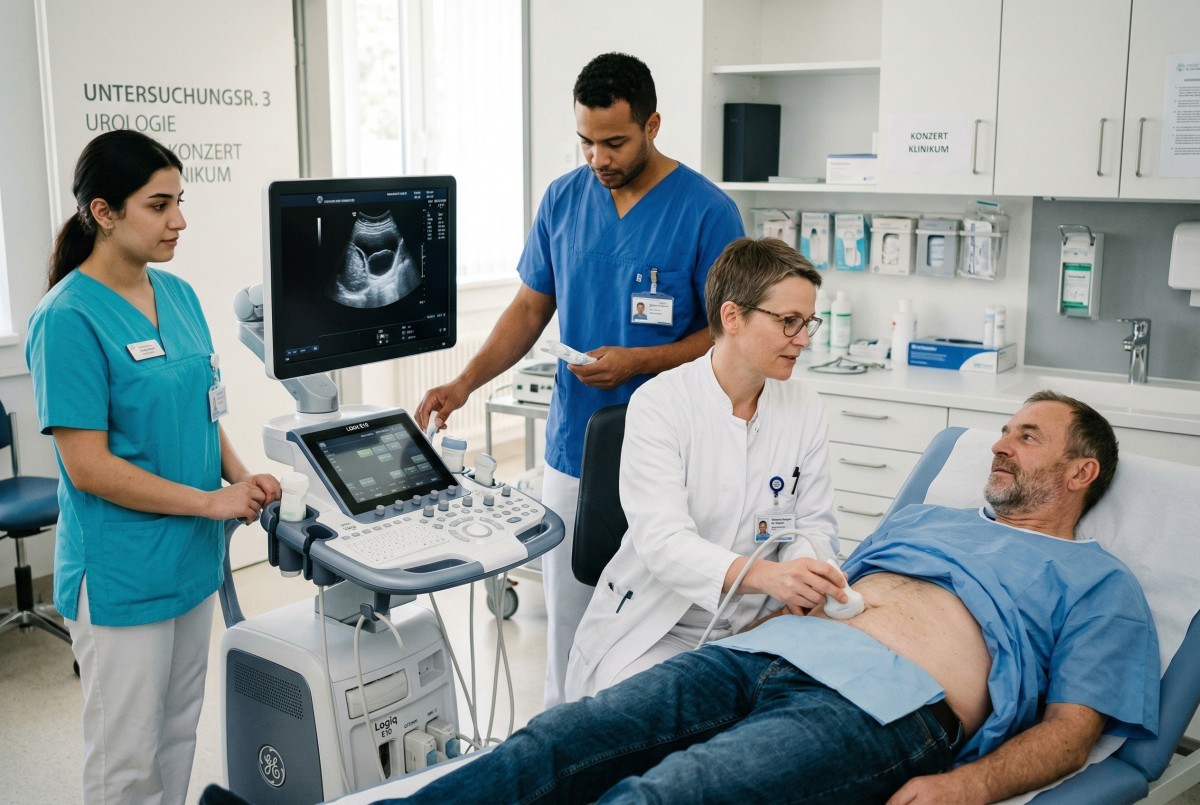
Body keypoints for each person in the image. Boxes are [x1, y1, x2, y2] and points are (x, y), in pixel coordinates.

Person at [372, 391, 1162, 803]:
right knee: (556, 740)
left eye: (1027, 436)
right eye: (1006, 428)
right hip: (761, 652)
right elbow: (823, 576)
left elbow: (1073, 732)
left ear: (1080, 472)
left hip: (886, 705)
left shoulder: (1098, 581)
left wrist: (970, 786)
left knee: (665, 794)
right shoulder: (925, 518)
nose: (999, 442)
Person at [415, 52, 744, 707]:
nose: (598, 158)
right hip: (576, 449)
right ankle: (562, 740)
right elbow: (529, 309)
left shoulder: (708, 212)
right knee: (569, 626)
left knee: (664, 628)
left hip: (676, 452)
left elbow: (727, 334)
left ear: (652, 125)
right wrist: (465, 382)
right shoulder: (563, 200)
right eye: (586, 142)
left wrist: (637, 361)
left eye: (614, 142)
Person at [25, 130, 282, 804]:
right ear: (104, 212)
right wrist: (211, 503)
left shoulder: (180, 295)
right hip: (123, 571)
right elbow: (89, 468)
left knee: (176, 734)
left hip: (190, 559)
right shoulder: (67, 319)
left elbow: (204, 411)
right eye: (159, 205)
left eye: (179, 201)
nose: (179, 221)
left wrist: (237, 476)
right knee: (126, 758)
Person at [565, 237, 841, 700]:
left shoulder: (804, 406)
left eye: (808, 322)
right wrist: (768, 577)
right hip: (660, 628)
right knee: (648, 715)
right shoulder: (660, 404)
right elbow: (664, 542)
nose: (804, 339)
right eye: (789, 322)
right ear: (733, 317)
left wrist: (805, 576)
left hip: (765, 622)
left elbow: (812, 525)